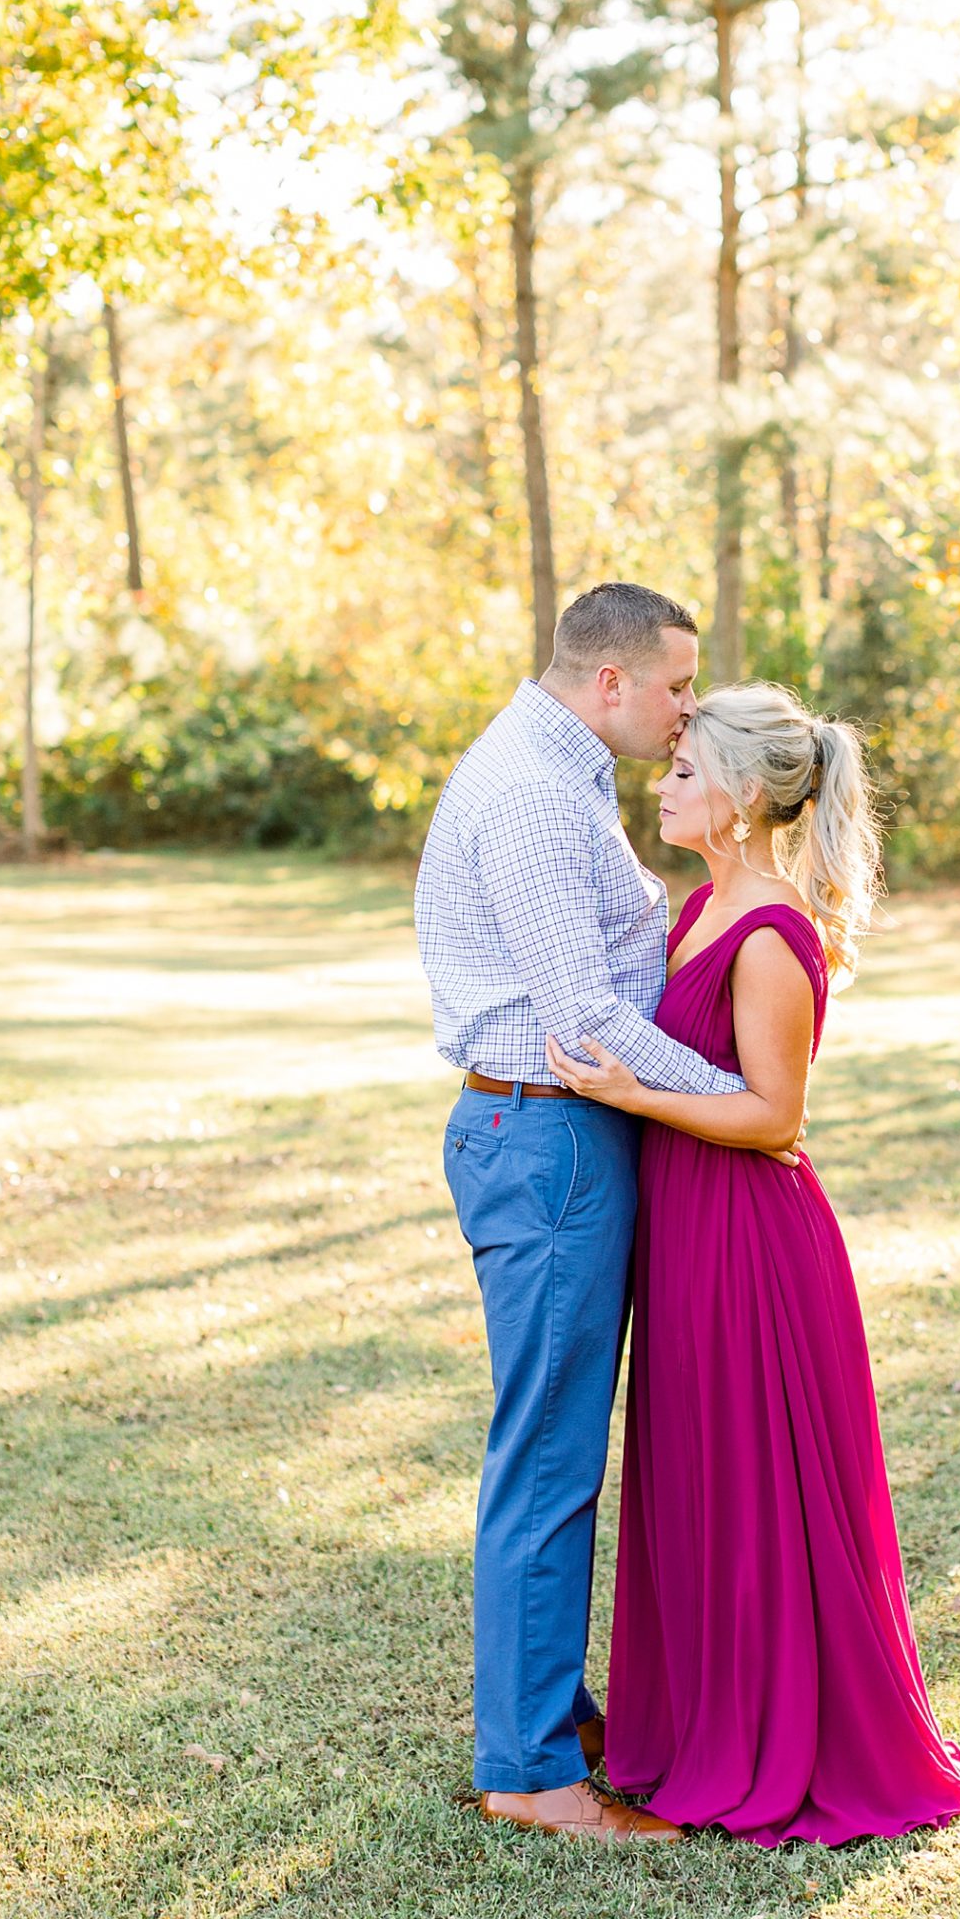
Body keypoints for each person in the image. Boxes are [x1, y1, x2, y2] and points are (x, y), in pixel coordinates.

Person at [546, 681, 960, 1843]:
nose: (664, 781)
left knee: (758, 1492)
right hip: (685, 1235)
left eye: (686, 769)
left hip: (753, 1244)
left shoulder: (769, 935)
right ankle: (697, 1719)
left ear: (745, 797)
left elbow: (775, 1117)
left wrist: (629, 1092)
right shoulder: (693, 907)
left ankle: (782, 1733)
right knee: (700, 1478)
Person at [415, 583, 785, 1844]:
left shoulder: (561, 769)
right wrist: (738, 1096)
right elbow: (587, 1015)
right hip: (550, 1138)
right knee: (552, 1454)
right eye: (680, 687)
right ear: (614, 681)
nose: (691, 710)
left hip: (563, 1135)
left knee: (564, 1441)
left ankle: (554, 1718)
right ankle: (528, 1770)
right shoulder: (529, 790)